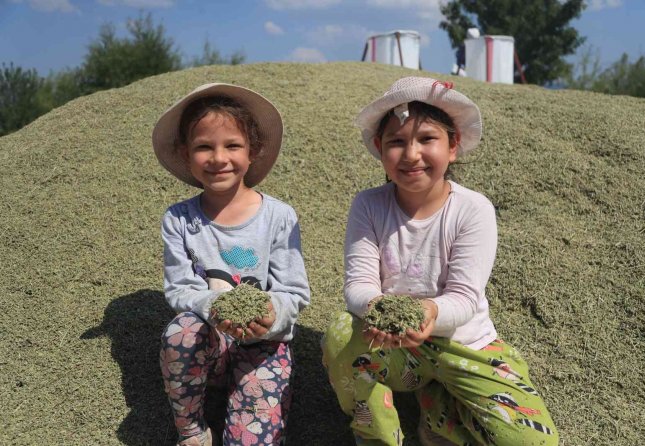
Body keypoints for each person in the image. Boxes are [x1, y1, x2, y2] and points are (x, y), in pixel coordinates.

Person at [321, 77, 558, 446]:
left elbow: (464, 297)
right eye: (397, 142)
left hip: (464, 342)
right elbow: (358, 283)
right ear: (380, 150)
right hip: (393, 344)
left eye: (427, 139)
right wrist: (377, 308)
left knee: (531, 440)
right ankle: (377, 436)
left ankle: (439, 410)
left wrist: (429, 312)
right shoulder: (368, 205)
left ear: (453, 146)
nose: (411, 154)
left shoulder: (472, 209)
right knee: (339, 333)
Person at [153, 83, 310, 446]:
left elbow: (294, 291)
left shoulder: (278, 216)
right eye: (204, 146)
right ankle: (192, 429)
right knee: (181, 331)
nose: (218, 158)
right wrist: (215, 308)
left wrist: (271, 314)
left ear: (253, 151)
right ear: (186, 153)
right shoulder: (179, 219)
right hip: (211, 340)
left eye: (232, 146)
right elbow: (180, 288)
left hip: (264, 344)